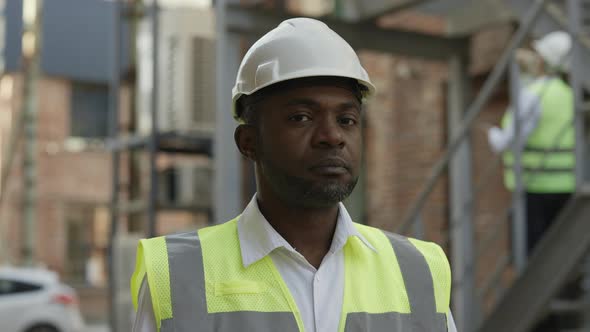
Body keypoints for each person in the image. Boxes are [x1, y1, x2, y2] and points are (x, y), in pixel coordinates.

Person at [131, 17, 455, 332]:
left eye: (347, 120)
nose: (332, 136)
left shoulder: (418, 271)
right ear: (249, 143)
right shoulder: (178, 276)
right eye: (301, 117)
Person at [487, 31, 574, 255]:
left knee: (534, 253)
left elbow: (508, 140)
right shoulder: (569, 94)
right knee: (562, 251)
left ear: (542, 60)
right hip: (567, 184)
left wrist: (492, 133)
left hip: (535, 186)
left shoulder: (533, 94)